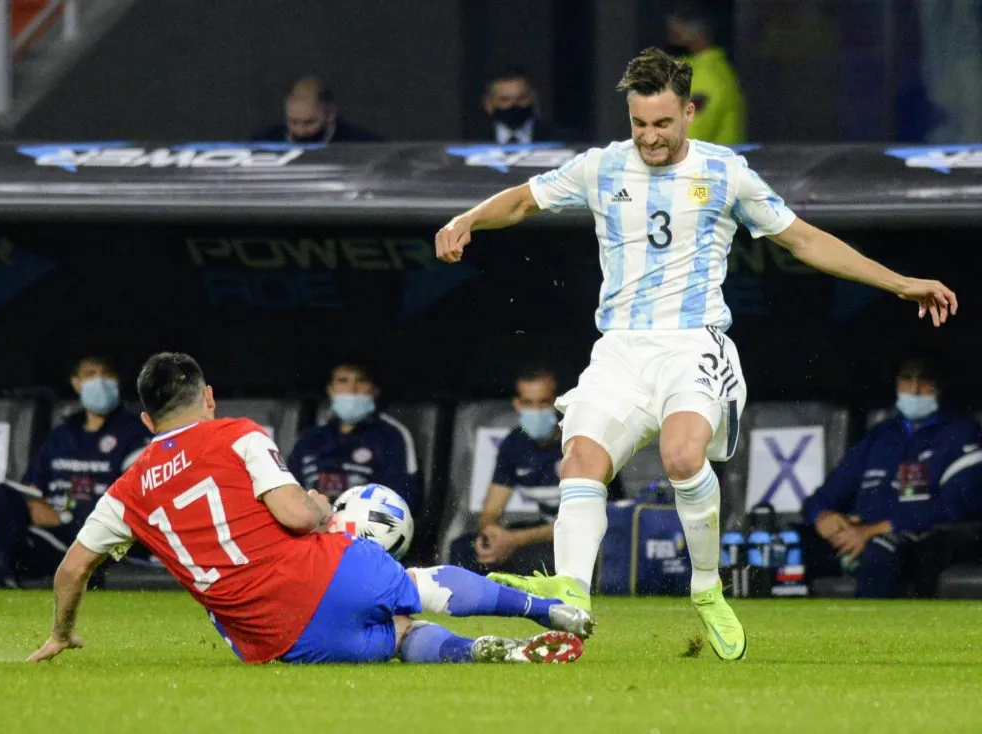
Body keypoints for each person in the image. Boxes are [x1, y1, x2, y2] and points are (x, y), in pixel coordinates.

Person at [434, 47, 957, 660]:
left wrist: (900, 282)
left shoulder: (726, 172)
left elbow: (805, 240)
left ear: (687, 112)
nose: (649, 138)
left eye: (662, 123)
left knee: (683, 457)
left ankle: (706, 587)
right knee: (580, 462)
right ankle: (571, 597)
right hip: (620, 350)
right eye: (638, 124)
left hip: (692, 344)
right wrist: (467, 218)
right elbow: (521, 199)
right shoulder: (601, 168)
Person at [27, 352, 592, 666]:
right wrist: (322, 506)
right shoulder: (236, 434)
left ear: (147, 423)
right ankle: (542, 610)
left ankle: (489, 654)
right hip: (321, 572)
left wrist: (62, 632)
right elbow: (297, 516)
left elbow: (72, 569)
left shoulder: (126, 491)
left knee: (396, 636)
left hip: (277, 639)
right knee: (411, 587)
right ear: (208, 397)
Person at [801, 354, 982, 598]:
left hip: (920, 538)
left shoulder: (961, 434)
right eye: (907, 379)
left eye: (924, 380)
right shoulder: (880, 436)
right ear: (896, 384)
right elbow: (827, 494)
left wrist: (875, 530)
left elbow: (957, 506)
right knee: (787, 547)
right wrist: (823, 516)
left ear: (940, 385)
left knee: (882, 549)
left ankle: (868, 635)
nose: (915, 389)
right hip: (855, 535)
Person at [0, 355, 149, 588]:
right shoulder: (63, 435)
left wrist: (65, 517)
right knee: (3, 496)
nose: (100, 381)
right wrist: (36, 505)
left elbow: (134, 496)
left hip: (93, 531)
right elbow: (32, 487)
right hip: (49, 529)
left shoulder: (133, 433)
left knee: (19, 547)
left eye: (107, 375)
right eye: (91, 375)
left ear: (118, 383)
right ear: (76, 383)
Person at [449, 367, 622, 574]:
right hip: (544, 532)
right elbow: (490, 512)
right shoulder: (514, 445)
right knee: (463, 549)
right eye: (529, 404)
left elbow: (583, 522)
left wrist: (513, 540)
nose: (537, 411)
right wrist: (491, 534)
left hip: (594, 536)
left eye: (544, 402)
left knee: (540, 561)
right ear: (518, 405)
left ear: (558, 402)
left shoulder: (581, 442)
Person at [286, 361, 421, 513]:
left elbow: (404, 499)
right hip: (308, 527)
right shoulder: (309, 438)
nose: (352, 389)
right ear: (330, 389)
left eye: (361, 381)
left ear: (375, 390)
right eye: (343, 381)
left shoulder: (392, 436)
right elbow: (286, 491)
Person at [664, 1, 746, 144]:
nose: (673, 25)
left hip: (706, 165)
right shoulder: (707, 68)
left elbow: (688, 137)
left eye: (684, 20)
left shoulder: (708, 75)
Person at [252, 74, 381, 144]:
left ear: (330, 115)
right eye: (293, 122)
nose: (300, 131)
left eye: (309, 123)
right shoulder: (263, 143)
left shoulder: (361, 145)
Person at [475, 67, 584, 144]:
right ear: (488, 104)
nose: (514, 105)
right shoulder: (472, 142)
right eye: (505, 100)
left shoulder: (563, 140)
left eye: (521, 98)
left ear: (533, 98)